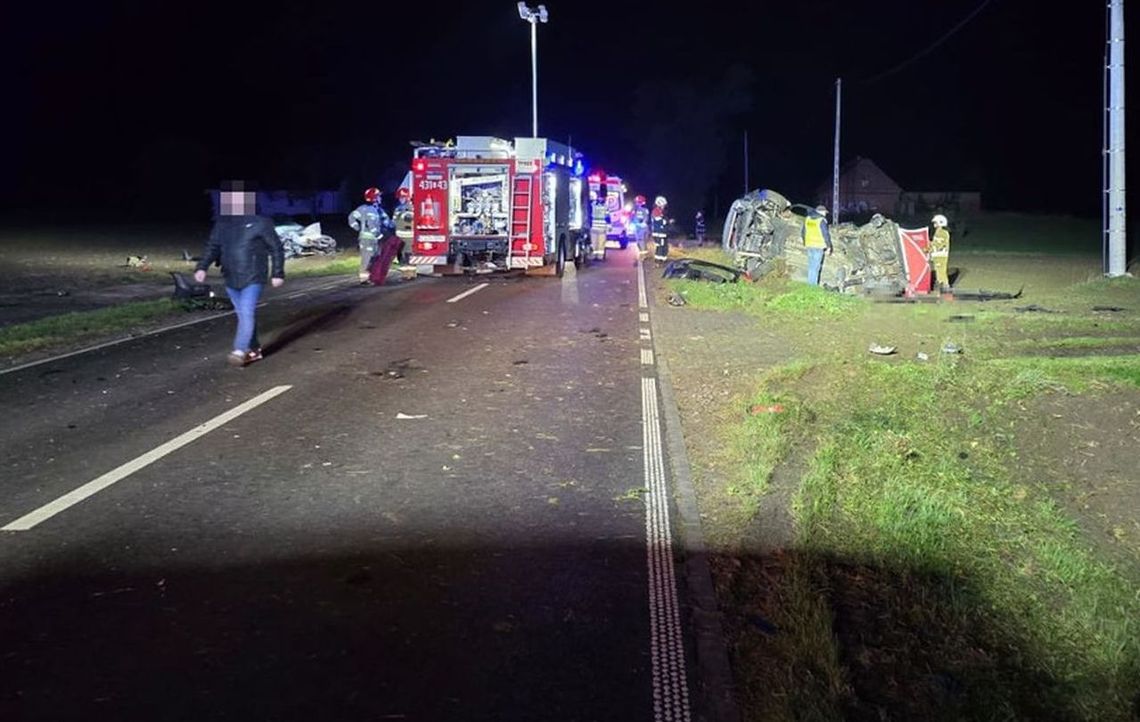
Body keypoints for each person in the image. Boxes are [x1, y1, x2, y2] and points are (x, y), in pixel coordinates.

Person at [194, 182, 284, 367]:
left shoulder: (260, 222)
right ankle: (255, 349)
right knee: (243, 314)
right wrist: (202, 267)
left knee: (246, 311)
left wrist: (277, 273)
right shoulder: (222, 224)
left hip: (253, 276)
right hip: (230, 276)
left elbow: (276, 249)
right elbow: (213, 247)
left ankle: (240, 349)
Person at [348, 187, 393, 284]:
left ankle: (371, 277)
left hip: (374, 239)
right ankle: (364, 279)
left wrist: (390, 226)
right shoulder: (363, 209)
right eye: (379, 197)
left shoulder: (377, 210)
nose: (380, 198)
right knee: (367, 258)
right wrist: (358, 228)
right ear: (375, 198)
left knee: (375, 257)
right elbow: (351, 218)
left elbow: (386, 222)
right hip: (367, 239)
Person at [801, 204, 833, 285]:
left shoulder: (807, 219)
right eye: (825, 212)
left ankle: (810, 283)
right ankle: (813, 286)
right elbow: (825, 234)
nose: (825, 214)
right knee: (816, 267)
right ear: (821, 212)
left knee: (811, 265)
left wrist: (805, 242)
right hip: (818, 246)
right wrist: (829, 246)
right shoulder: (821, 220)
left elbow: (803, 232)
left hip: (809, 245)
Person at [393, 187, 414, 265]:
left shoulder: (398, 209)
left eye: (402, 197)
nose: (400, 199)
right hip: (408, 235)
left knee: (403, 255)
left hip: (402, 235)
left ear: (407, 197)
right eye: (400, 198)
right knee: (408, 254)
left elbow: (394, 222)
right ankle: (409, 272)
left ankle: (407, 271)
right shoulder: (414, 208)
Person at [930, 213, 951, 291]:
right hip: (937, 255)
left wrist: (928, 248)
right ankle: (940, 284)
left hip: (941, 255)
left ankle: (944, 285)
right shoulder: (938, 232)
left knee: (941, 271)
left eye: (935, 222)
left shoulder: (942, 232)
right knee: (938, 271)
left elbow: (938, 244)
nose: (934, 224)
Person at [589, 190, 608, 260]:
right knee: (600, 243)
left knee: (594, 243)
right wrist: (609, 227)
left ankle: (595, 256)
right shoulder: (605, 206)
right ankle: (599, 257)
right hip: (602, 228)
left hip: (594, 227)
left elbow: (590, 214)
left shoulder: (593, 204)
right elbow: (607, 217)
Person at [651, 195, 670, 262]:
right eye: (663, 205)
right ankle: (659, 260)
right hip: (659, 233)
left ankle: (662, 258)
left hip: (662, 233)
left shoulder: (660, 211)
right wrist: (667, 221)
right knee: (660, 246)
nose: (664, 206)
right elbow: (660, 221)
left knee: (663, 246)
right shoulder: (656, 211)